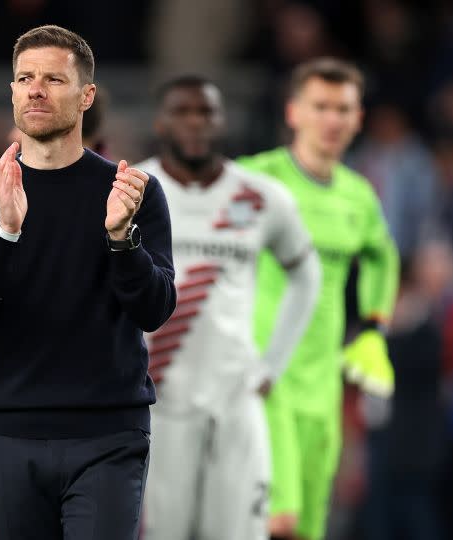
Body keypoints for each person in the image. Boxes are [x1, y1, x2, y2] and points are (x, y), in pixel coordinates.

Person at [0, 25, 175, 540]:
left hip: (109, 434)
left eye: (53, 78)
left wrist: (120, 238)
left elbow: (154, 309)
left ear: (86, 95)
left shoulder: (131, 193)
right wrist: (6, 232)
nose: (36, 89)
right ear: (13, 91)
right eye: (24, 78)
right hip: (8, 435)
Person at [133, 76, 321, 540]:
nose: (195, 123)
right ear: (160, 121)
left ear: (223, 121)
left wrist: (271, 366)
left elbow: (306, 274)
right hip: (157, 402)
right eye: (183, 111)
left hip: (236, 401)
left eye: (206, 112)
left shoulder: (260, 197)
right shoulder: (129, 190)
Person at [238, 58, 400, 540]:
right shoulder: (256, 180)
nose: (332, 119)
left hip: (324, 382)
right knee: (277, 521)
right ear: (293, 113)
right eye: (321, 106)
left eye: (342, 109)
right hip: (263, 374)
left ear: (358, 119)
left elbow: (381, 257)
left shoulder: (359, 197)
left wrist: (373, 327)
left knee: (310, 525)